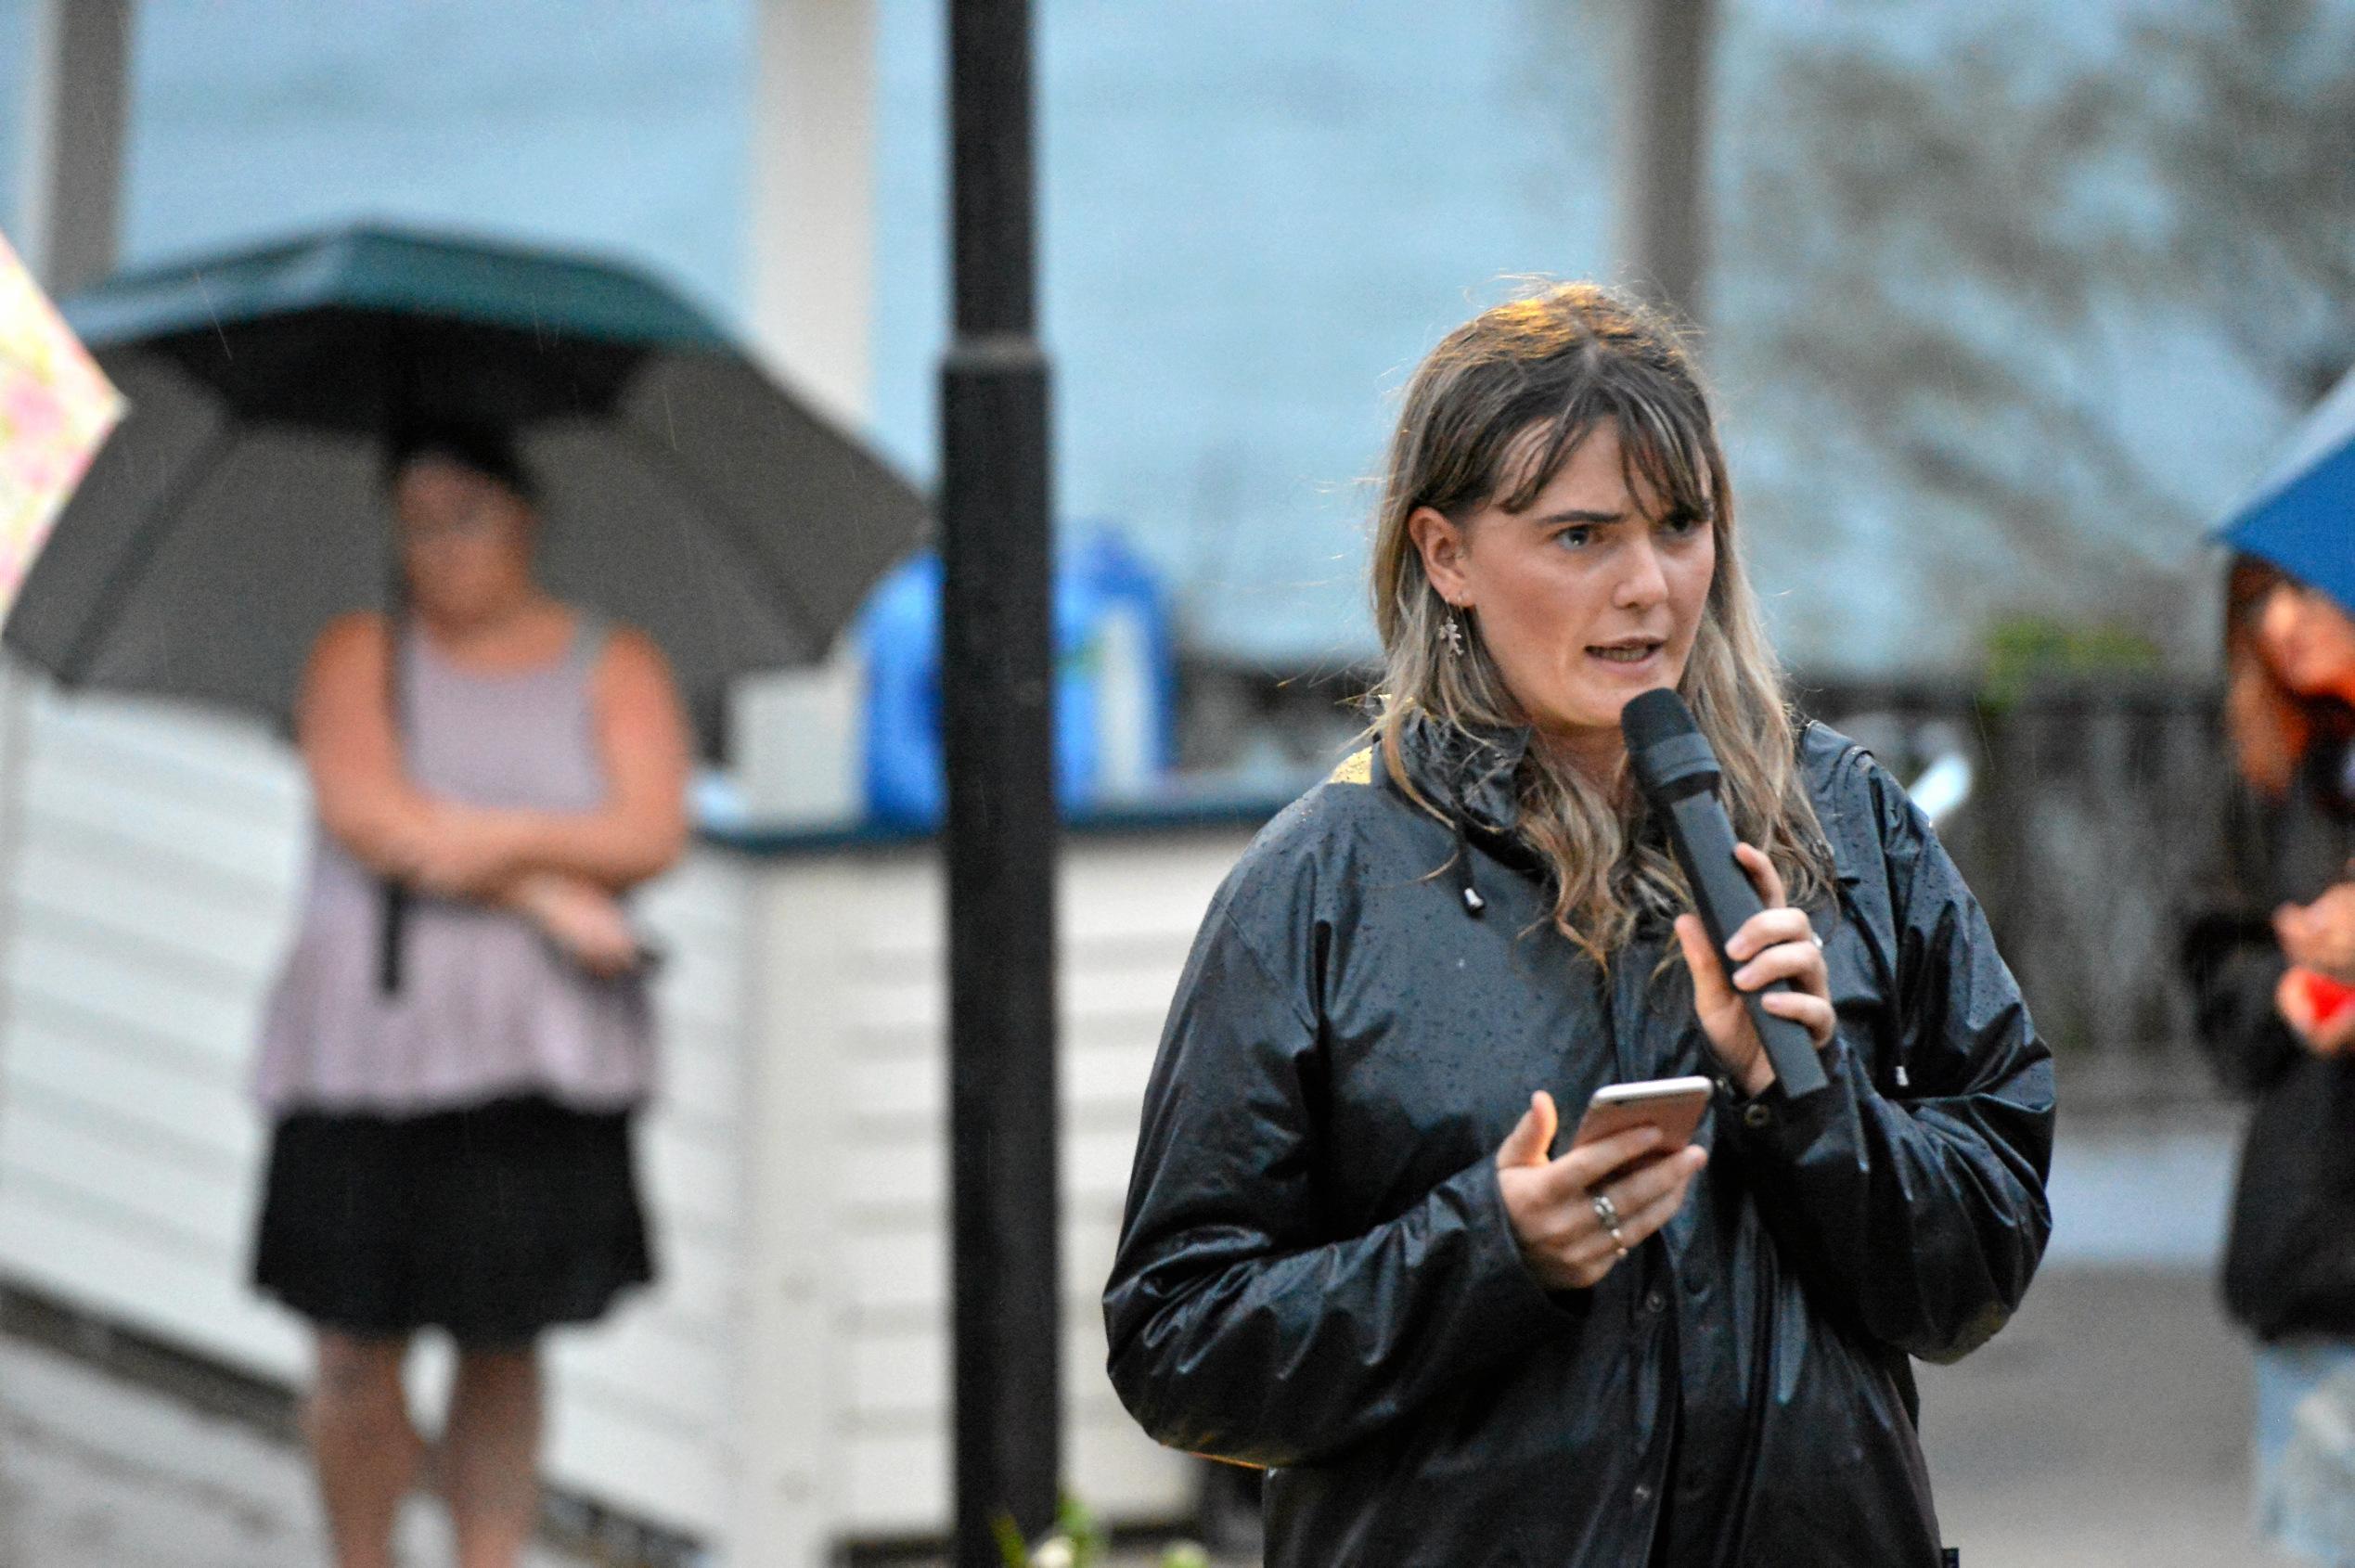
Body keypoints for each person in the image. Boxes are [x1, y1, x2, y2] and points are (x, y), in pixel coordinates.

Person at [1102, 283, 2054, 1566]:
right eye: (1579, 537)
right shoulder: (1319, 885)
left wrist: (1809, 1103)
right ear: (1445, 556)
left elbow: (1973, 1268)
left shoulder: (1842, 824)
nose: (1649, 588)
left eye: (1679, 525)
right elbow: (1178, 1346)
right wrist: (1490, 1249)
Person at [249, 423, 691, 1568]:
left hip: (535, 1060)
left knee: (504, 1338)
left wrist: (480, 840)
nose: (437, 549)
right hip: (370, 1050)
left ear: (523, 516)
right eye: (415, 523)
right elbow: (371, 815)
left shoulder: (613, 661)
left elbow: (648, 827)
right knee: (354, 1346)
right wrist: (548, 885)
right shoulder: (361, 652)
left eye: (463, 518)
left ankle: (485, 1556)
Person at [2187, 556, 2355, 1564]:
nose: (2284, 623)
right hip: (2322, 1246)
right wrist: (2288, 993)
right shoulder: (2278, 773)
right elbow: (2214, 957)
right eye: (2260, 602)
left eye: (2310, 588)